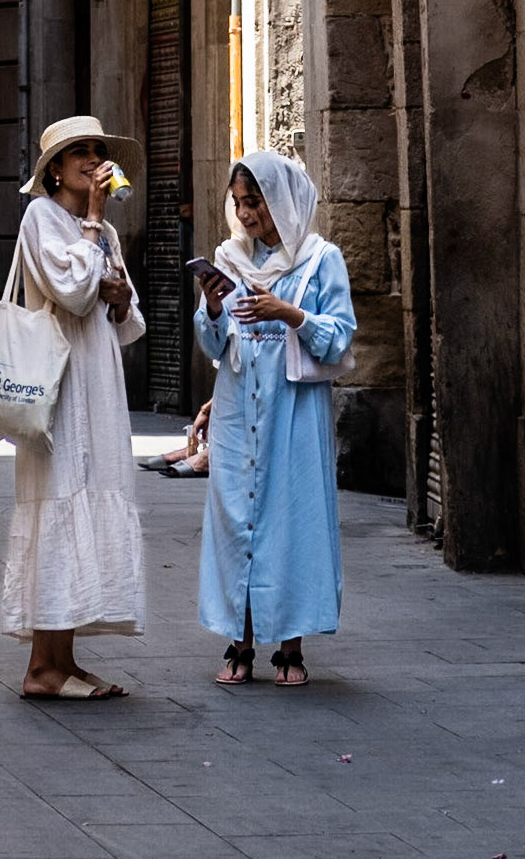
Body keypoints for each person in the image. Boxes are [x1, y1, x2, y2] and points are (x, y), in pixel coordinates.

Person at [193, 149, 356, 687]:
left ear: (281, 200)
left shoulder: (319, 259)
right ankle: (237, 643)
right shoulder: (230, 259)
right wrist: (214, 308)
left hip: (294, 412)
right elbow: (214, 343)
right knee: (235, 521)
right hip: (240, 408)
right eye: (238, 203)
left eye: (255, 202)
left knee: (291, 523)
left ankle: (290, 647)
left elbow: (339, 337)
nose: (246, 215)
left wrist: (288, 313)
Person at [2, 115, 146, 699]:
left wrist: (118, 296)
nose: (92, 161)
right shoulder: (42, 218)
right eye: (79, 154)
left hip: (97, 383)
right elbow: (71, 290)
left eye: (97, 152)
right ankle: (42, 666)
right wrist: (92, 228)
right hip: (57, 388)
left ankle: (64, 658)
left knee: (88, 498)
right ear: (55, 169)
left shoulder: (103, 231)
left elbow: (126, 315)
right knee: (57, 504)